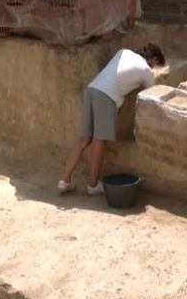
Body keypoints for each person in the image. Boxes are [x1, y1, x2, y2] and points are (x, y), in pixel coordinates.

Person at [59, 43, 165, 195]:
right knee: (99, 143)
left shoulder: (123, 51)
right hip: (107, 97)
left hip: (92, 90)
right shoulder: (146, 70)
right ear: (154, 60)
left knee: (84, 140)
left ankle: (64, 180)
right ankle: (93, 185)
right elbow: (152, 92)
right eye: (156, 65)